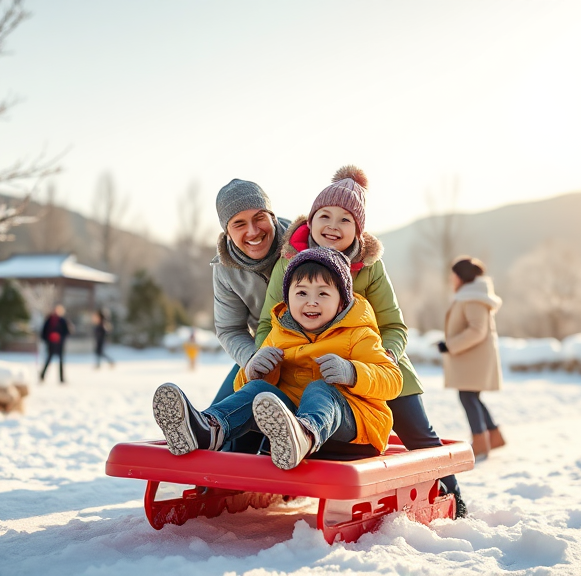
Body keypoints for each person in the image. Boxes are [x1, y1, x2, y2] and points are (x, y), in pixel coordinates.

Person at [251, 165, 466, 515]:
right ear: (311, 219)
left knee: (418, 433)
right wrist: (268, 356)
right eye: (325, 216)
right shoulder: (289, 261)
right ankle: (243, 470)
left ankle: (453, 498)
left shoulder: (369, 266)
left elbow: (395, 326)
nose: (332, 227)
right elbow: (267, 324)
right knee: (256, 397)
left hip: (370, 361)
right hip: (310, 364)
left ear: (358, 230)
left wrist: (379, 362)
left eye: (345, 220)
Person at [152, 248, 402, 469]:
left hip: (354, 432)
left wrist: (352, 372)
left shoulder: (357, 334)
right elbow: (246, 392)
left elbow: (393, 380)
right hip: (290, 430)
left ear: (341, 302)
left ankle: (304, 435)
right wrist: (253, 371)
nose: (311, 301)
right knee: (259, 389)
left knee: (321, 389)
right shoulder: (280, 332)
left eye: (323, 294)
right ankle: (209, 429)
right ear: (289, 297)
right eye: (301, 293)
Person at [208, 179, 291, 451]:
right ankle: (214, 473)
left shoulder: (300, 242)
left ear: (272, 216)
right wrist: (253, 358)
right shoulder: (225, 267)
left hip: (313, 351)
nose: (253, 231)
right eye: (239, 223)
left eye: (259, 218)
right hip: (263, 352)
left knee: (264, 419)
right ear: (227, 231)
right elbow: (230, 328)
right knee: (221, 418)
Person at [437, 256, 505, 460]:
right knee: (471, 397)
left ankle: (481, 442)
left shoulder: (473, 297)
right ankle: (493, 436)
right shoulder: (470, 295)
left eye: (453, 274)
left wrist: (450, 345)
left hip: (473, 358)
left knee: (467, 396)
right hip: (472, 357)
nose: (451, 278)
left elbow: (477, 330)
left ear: (461, 276)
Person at [40, 304, 71, 384]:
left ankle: (61, 378)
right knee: (48, 359)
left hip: (59, 344)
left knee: (61, 361)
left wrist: (59, 337)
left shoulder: (63, 321)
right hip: (51, 344)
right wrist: (48, 338)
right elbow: (44, 331)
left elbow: (66, 332)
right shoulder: (49, 320)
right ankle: (42, 375)